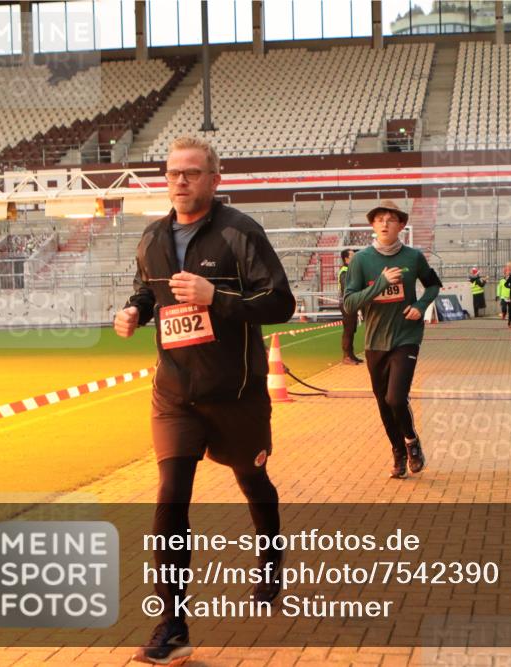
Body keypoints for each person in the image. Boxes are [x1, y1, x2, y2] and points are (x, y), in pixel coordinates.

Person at [114, 135, 295, 665]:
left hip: (235, 394)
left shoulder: (241, 232)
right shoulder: (150, 237)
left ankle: (269, 554)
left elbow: (281, 302)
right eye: (173, 173)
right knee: (171, 498)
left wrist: (218, 297)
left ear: (216, 179)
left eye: (193, 172)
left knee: (251, 477)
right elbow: (148, 291)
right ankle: (172, 622)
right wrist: (133, 311)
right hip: (174, 394)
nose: (181, 181)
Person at [343, 200, 441, 479]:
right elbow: (349, 303)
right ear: (372, 226)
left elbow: (433, 284)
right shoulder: (361, 260)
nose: (385, 223)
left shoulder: (413, 257)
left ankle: (411, 441)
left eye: (391, 219)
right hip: (375, 341)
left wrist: (421, 306)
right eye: (379, 219)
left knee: (396, 398)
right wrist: (381, 284)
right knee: (383, 403)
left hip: (406, 336)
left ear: (401, 225)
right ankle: (397, 453)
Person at [338, 248, 363, 365]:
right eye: (353, 256)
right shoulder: (344, 271)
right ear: (346, 259)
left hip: (352, 303)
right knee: (348, 330)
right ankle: (347, 356)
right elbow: (347, 288)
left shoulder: (350, 270)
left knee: (352, 329)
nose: (355, 257)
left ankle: (351, 355)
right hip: (347, 304)